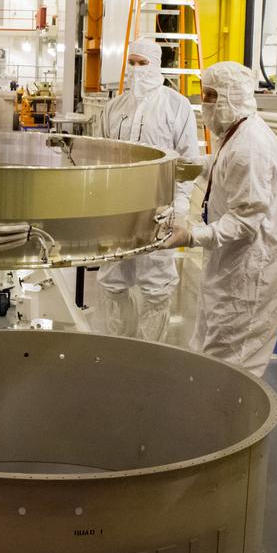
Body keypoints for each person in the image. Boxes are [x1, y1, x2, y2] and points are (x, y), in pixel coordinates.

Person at [161, 61, 277, 377]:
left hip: (247, 273)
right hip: (228, 264)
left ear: (232, 96)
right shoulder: (236, 133)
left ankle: (228, 424)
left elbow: (246, 222)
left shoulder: (251, 147)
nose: (204, 104)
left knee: (232, 365)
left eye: (211, 96)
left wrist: (191, 235)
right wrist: (195, 165)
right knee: (211, 349)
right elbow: (225, 167)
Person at [97, 37, 201, 341]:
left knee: (155, 285)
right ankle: (119, 345)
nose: (137, 70)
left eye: (143, 63)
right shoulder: (114, 107)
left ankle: (149, 349)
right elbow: (101, 156)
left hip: (158, 209)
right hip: (116, 209)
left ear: (156, 65)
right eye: (132, 63)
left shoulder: (176, 106)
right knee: (113, 279)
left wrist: (180, 205)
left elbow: (189, 160)